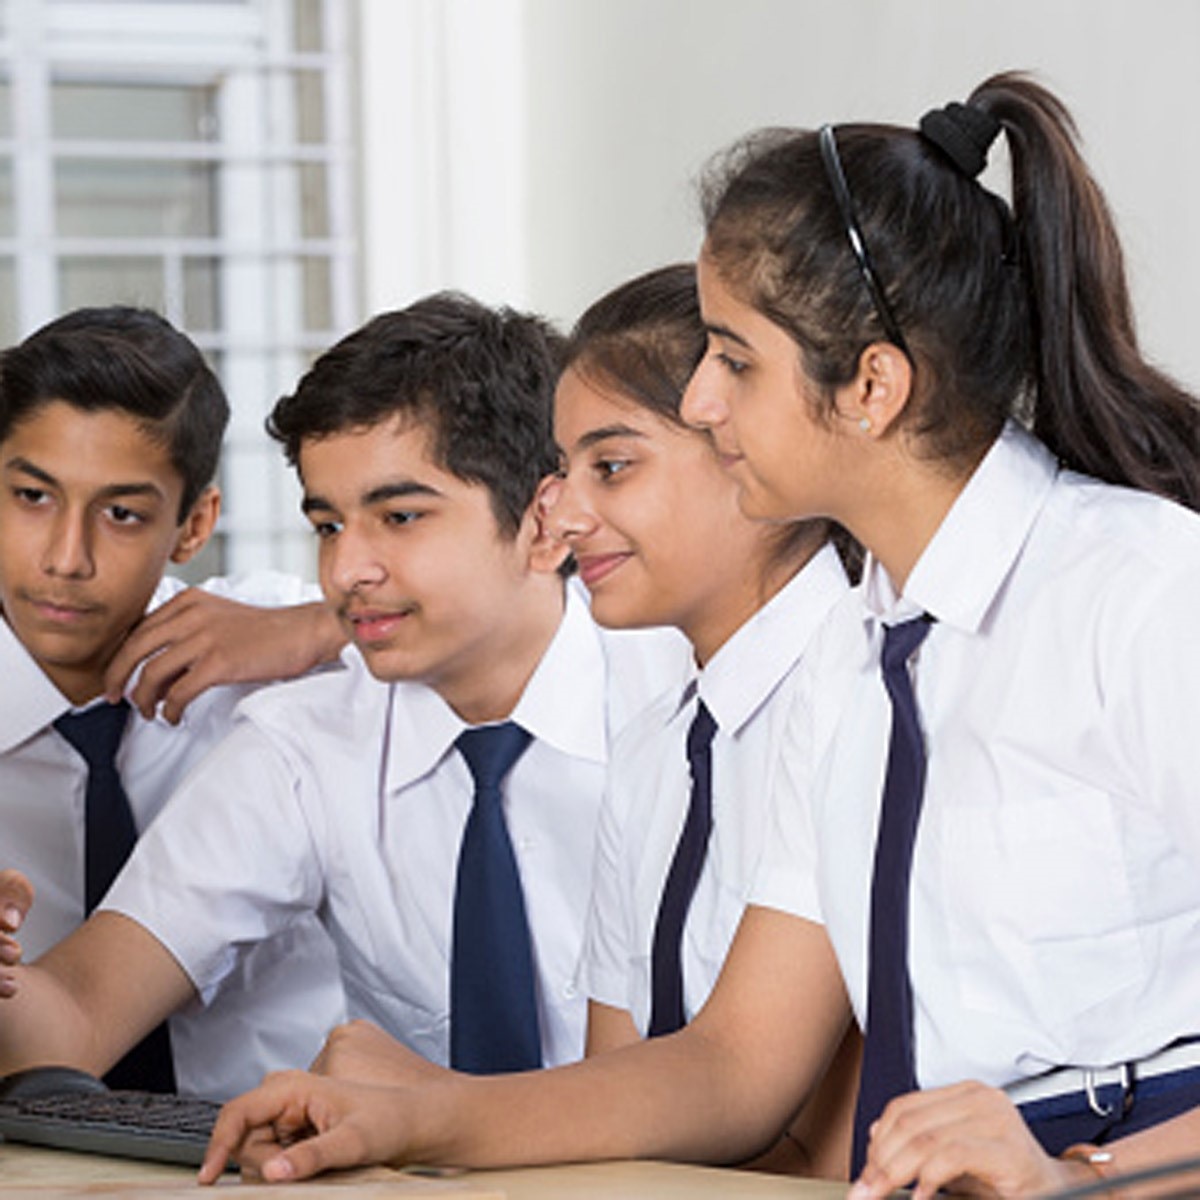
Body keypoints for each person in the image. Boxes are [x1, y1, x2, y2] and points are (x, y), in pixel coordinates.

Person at [196, 70, 1200, 1200]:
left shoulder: (1140, 588)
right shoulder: (862, 659)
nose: (706, 401)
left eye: (733, 358)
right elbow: (734, 1066)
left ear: (870, 386)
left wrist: (1087, 1174)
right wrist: (418, 1113)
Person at [0, 294, 689, 1094]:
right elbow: (79, 1011)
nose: (345, 571)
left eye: (398, 517)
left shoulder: (680, 705)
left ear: (543, 523)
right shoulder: (301, 743)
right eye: (328, 526)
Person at [312, 264, 861, 1177]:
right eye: (562, 472)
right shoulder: (654, 743)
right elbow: (620, 1096)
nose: (558, 514)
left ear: (750, 445)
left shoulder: (857, 687)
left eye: (610, 466)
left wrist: (425, 1111)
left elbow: (792, 1118)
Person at [0, 306, 347, 1099]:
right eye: (32, 497)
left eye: (121, 514)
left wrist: (326, 628)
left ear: (195, 525)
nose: (66, 559)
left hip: (281, 1151)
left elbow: (511, 620)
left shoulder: (278, 654)